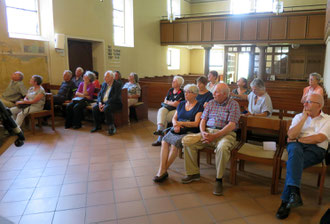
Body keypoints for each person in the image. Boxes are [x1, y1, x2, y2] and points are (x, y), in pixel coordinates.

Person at [276, 93, 330, 220]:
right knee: (294, 154)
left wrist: (298, 140)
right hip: (296, 147)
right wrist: (304, 119)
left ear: (319, 106)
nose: (304, 104)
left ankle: (287, 199)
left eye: (309, 102)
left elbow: (320, 138)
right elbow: (291, 134)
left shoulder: (327, 119)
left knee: (293, 163)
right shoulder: (298, 116)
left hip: (316, 150)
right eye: (305, 101)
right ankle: (292, 196)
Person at [181, 83, 241, 196]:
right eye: (213, 91)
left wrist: (216, 135)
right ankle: (193, 173)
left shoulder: (233, 104)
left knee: (222, 148)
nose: (213, 94)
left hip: (225, 133)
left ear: (224, 94)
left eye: (216, 92)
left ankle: (219, 179)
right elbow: (203, 120)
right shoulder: (211, 103)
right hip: (208, 132)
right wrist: (203, 132)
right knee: (187, 141)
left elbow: (232, 125)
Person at [153, 84, 203, 183]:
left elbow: (196, 123)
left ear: (195, 94)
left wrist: (181, 123)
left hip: (189, 131)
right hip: (177, 129)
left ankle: (162, 171)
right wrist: (176, 125)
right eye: (185, 92)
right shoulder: (181, 104)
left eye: (189, 92)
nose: (186, 94)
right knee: (164, 141)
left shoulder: (199, 106)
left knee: (175, 145)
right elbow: (174, 118)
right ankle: (163, 169)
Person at [152, 76, 185, 146]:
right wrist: (171, 102)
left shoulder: (181, 92)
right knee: (161, 110)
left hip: (176, 110)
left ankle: (160, 139)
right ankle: (160, 130)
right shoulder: (170, 90)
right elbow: (165, 100)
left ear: (179, 83)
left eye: (174, 81)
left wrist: (168, 102)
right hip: (167, 108)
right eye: (173, 81)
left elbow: (176, 104)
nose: (172, 82)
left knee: (165, 118)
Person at [91, 71, 122, 135]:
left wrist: (104, 104)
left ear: (112, 78)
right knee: (94, 108)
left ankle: (111, 127)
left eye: (107, 77)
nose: (104, 78)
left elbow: (115, 97)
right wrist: (99, 103)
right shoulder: (104, 84)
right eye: (104, 77)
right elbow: (99, 95)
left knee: (107, 108)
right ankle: (98, 126)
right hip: (103, 103)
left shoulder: (117, 84)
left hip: (115, 103)